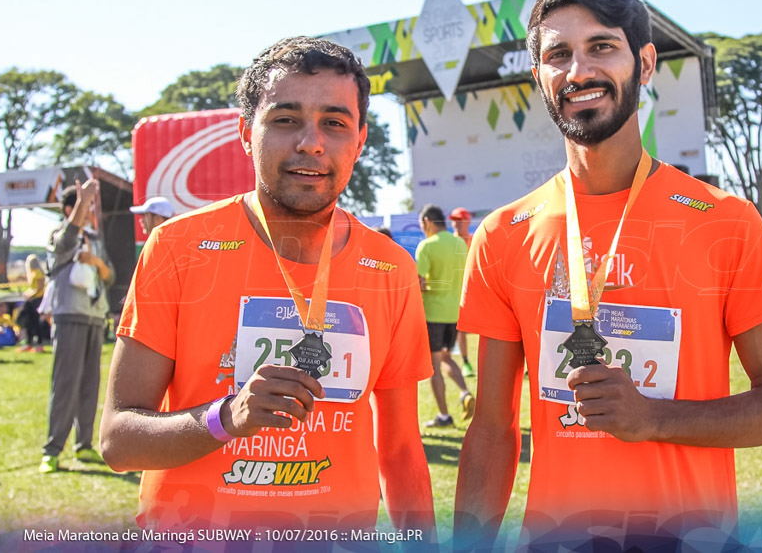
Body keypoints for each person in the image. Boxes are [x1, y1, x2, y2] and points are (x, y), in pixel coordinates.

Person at [454, 0, 762, 549]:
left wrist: (654, 419)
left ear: (644, 64)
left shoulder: (724, 220)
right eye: (557, 55)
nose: (578, 72)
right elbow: (492, 431)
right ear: (539, 77)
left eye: (601, 47)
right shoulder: (501, 234)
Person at [99, 36, 435, 537]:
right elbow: (119, 441)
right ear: (245, 133)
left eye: (334, 123)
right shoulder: (179, 246)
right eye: (285, 120)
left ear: (360, 140)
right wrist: (225, 418)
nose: (311, 142)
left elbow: (402, 448)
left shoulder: (390, 267)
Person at [40, 179, 115, 474]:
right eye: (85, 204)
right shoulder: (60, 234)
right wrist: (83, 200)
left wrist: (96, 261)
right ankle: (52, 450)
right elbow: (66, 243)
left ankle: (83, 445)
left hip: (95, 316)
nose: (91, 209)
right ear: (71, 208)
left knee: (90, 383)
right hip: (69, 314)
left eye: (92, 204)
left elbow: (109, 275)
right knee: (66, 383)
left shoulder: (95, 237)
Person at [415, 204, 474, 427]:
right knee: (447, 358)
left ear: (428, 221)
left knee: (434, 365)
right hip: (455, 313)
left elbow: (419, 282)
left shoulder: (427, 246)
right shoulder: (460, 243)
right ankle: (464, 392)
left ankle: (444, 416)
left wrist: (428, 288)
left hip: (433, 313)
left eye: (422, 225)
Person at [448, 206, 475, 377]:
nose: (456, 224)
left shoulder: (474, 240)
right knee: (461, 329)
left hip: (478, 291)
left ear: (467, 221)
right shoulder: (450, 242)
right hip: (457, 293)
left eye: (459, 220)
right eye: (454, 220)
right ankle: (466, 363)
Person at [17, 254, 50, 352]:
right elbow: (33, 288)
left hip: (37, 300)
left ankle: (38, 345)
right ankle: (28, 342)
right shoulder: (32, 273)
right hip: (31, 300)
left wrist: (31, 294)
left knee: (35, 322)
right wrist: (28, 293)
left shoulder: (38, 273)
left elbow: (39, 288)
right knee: (28, 321)